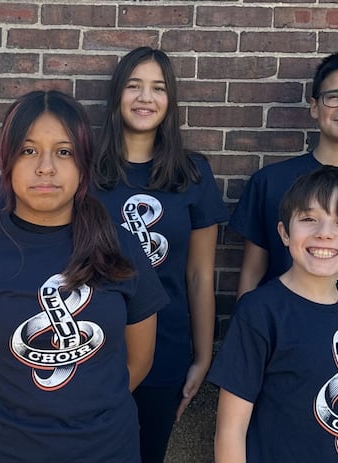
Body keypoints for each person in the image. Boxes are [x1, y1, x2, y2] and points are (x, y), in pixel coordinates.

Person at [0, 90, 169, 462]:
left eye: (63, 152)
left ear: (83, 162)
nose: (45, 167)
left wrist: (89, 419)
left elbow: (139, 360)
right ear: (7, 160)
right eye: (29, 150)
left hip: (105, 450)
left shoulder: (121, 248)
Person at [228, 49, 338, 462]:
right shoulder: (271, 182)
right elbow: (252, 273)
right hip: (284, 359)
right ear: (314, 105)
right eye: (335, 95)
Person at [93, 47, 229, 463]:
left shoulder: (193, 175)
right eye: (133, 86)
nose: (144, 98)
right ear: (117, 95)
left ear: (170, 101)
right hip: (91, 346)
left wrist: (202, 357)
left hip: (164, 348)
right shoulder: (84, 172)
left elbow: (200, 275)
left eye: (158, 88)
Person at [210, 165, 338, 462]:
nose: (324, 234)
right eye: (309, 219)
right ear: (284, 233)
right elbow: (230, 430)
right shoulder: (260, 312)